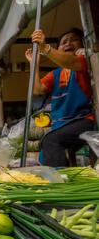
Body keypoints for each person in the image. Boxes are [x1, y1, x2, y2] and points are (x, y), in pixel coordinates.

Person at [25, 28, 96, 167]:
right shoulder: (55, 74)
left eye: (73, 40)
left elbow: (70, 62)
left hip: (84, 120)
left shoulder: (82, 61)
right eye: (64, 42)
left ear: (82, 45)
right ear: (59, 49)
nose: (68, 43)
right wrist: (34, 64)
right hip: (62, 125)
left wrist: (45, 48)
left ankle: (59, 181)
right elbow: (37, 89)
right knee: (48, 147)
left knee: (51, 140)